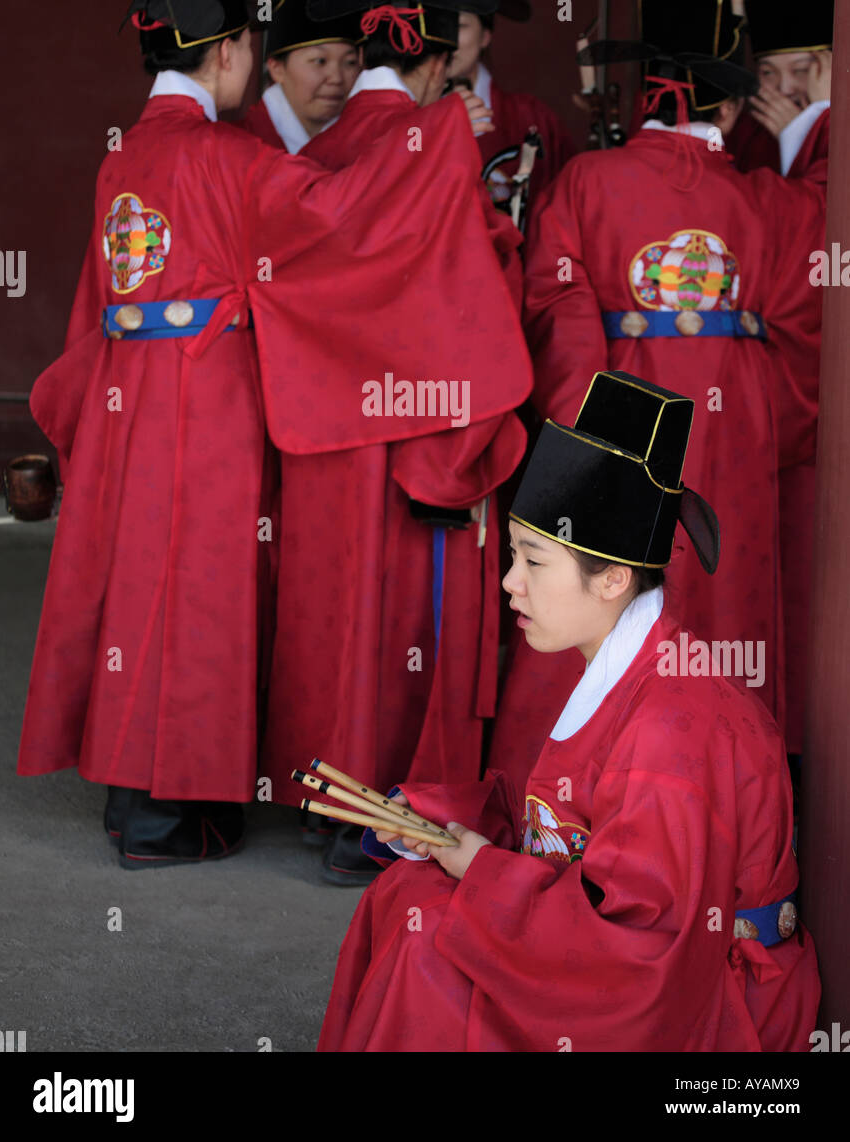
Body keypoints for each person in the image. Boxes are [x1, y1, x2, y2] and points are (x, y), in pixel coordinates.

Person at [16, 0, 532, 869]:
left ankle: (135, 802)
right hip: (206, 403)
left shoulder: (124, 158)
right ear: (222, 51)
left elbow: (98, 303)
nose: (251, 67)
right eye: (250, 49)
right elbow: (341, 217)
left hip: (131, 392)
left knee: (142, 595)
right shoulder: (224, 158)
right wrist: (434, 139)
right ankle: (173, 818)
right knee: (198, 599)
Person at [317, 371, 820, 1052]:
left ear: (613, 579)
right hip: (648, 963)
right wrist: (441, 826)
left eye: (532, 562)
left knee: (432, 945)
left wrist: (480, 869)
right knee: (412, 894)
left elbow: (641, 946)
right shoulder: (629, 664)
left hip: (712, 1000)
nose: (508, 583)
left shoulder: (674, 729)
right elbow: (574, 829)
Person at [490, 0, 825, 786]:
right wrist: (759, 422)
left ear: (645, 95)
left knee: (594, 594)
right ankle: (708, 792)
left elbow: (557, 310)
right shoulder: (767, 200)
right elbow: (804, 322)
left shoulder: (585, 181)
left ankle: (564, 794)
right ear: (730, 106)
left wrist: (587, 432)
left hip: (620, 417)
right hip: (733, 424)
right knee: (719, 593)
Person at [260, 0, 532, 886]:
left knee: (333, 616)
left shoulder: (314, 151)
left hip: (321, 433)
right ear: (429, 54)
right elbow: (471, 290)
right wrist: (468, 442)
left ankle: (321, 803)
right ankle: (387, 819)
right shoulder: (436, 141)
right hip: (419, 431)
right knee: (410, 630)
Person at [724, 0, 832, 756]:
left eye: (804, 69)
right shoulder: (751, 149)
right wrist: (726, 26)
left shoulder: (813, 148)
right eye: (771, 69)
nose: (786, 87)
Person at [446, 0, 577, 214]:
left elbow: (561, 212)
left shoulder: (531, 119)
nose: (445, 40)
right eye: (435, 25)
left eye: (459, 26)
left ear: (485, 35)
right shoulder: (400, 117)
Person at [725, 0, 833, 183]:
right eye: (767, 72)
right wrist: (730, 24)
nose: (784, 88)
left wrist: (808, 129)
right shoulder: (748, 131)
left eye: (802, 70)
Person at [239, 0, 363, 152]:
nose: (337, 79)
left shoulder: (367, 145)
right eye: (320, 61)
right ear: (277, 68)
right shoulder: (239, 144)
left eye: (350, 62)